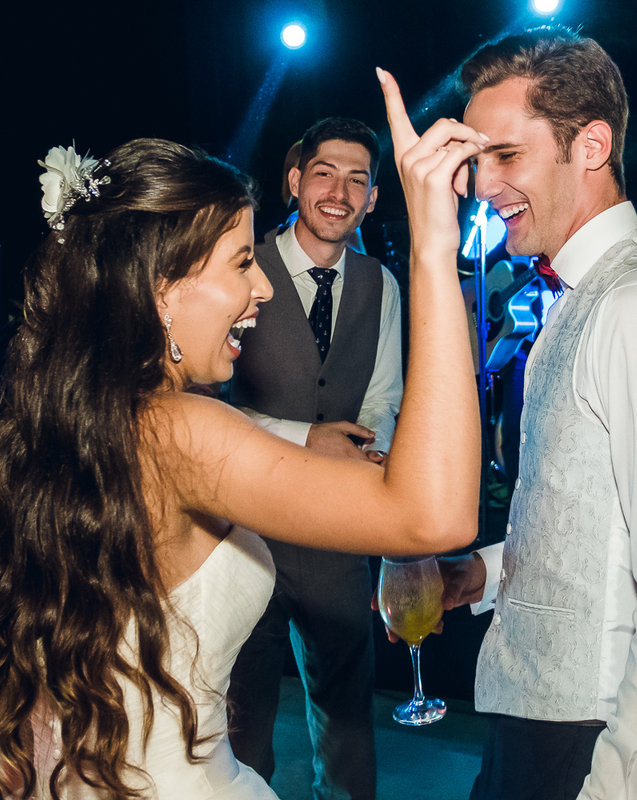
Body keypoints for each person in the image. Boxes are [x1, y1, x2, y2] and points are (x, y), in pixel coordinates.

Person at [0, 131, 480, 800]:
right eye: (240, 262)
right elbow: (434, 515)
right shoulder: (178, 432)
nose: (262, 284)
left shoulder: (66, 420)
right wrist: (435, 250)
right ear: (163, 290)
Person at [414, 27, 637, 799]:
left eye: (505, 155)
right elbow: (591, 519)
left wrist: (626, 787)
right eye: (474, 161)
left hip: (593, 739)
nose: (479, 186)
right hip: (535, 715)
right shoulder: (570, 297)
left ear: (590, 145)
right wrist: (484, 572)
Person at [226, 117, 402, 800]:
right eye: (325, 171)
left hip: (337, 529)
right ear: (295, 180)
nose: (340, 190)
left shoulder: (382, 284)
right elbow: (199, 405)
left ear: (373, 198)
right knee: (242, 727)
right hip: (245, 530)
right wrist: (305, 437)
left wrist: (374, 462)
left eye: (358, 178)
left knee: (349, 728)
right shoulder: (240, 266)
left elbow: (384, 396)